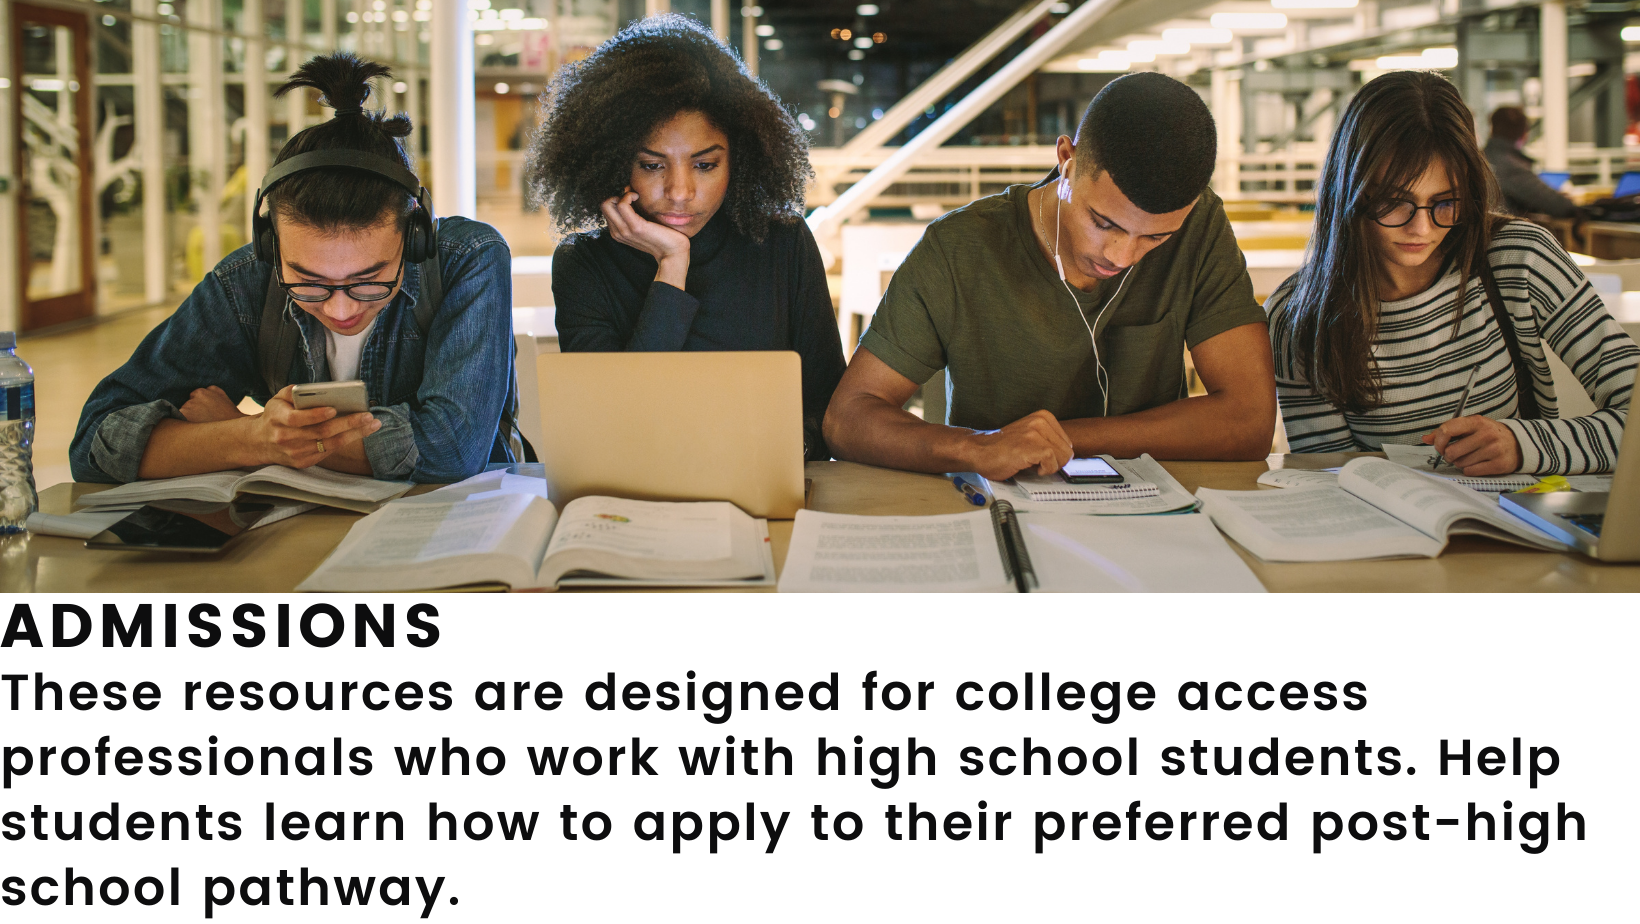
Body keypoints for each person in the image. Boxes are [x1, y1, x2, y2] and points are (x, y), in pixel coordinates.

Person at [71, 53, 519, 484]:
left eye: (369, 281)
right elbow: (95, 443)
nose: (341, 310)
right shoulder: (245, 281)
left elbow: (453, 450)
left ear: (415, 236)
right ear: (270, 245)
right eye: (308, 282)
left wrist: (240, 432)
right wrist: (251, 437)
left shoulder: (467, 260)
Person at [821, 73, 1276, 480]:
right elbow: (847, 419)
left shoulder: (1201, 227)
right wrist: (978, 446)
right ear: (1067, 160)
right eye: (1103, 222)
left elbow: (1250, 421)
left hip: (1154, 518)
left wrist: (1061, 440)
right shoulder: (959, 249)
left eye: (1155, 239)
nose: (1122, 255)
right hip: (1001, 512)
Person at [1266, 72, 1636, 476]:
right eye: (1394, 202)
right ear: (1349, 192)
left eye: (1446, 203)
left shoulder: (1520, 259)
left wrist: (1525, 445)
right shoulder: (1298, 316)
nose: (1422, 229)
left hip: (1525, 529)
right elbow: (1330, 477)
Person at [529, 13, 844, 460]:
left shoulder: (781, 243)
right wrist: (672, 265)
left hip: (763, 488)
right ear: (615, 162)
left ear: (740, 159)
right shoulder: (584, 264)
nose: (680, 192)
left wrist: (775, 449)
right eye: (653, 165)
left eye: (705, 165)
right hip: (637, 498)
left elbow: (829, 410)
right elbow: (615, 425)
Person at [1483, 106, 1580, 220]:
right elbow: (1557, 205)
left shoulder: (1480, 158)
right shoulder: (1512, 167)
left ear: (1492, 129)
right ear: (1524, 134)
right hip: (1502, 234)